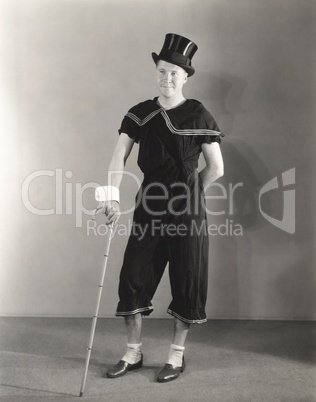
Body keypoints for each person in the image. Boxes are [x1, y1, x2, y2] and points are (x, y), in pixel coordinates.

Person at [99, 33, 224, 383]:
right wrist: (110, 194)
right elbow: (117, 156)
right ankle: (132, 352)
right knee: (133, 278)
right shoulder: (140, 113)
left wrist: (192, 193)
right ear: (156, 72)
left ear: (185, 77)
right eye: (162, 71)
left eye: (174, 73)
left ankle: (175, 356)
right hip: (149, 210)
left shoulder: (198, 114)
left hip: (188, 215)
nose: (167, 78)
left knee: (188, 279)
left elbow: (216, 168)